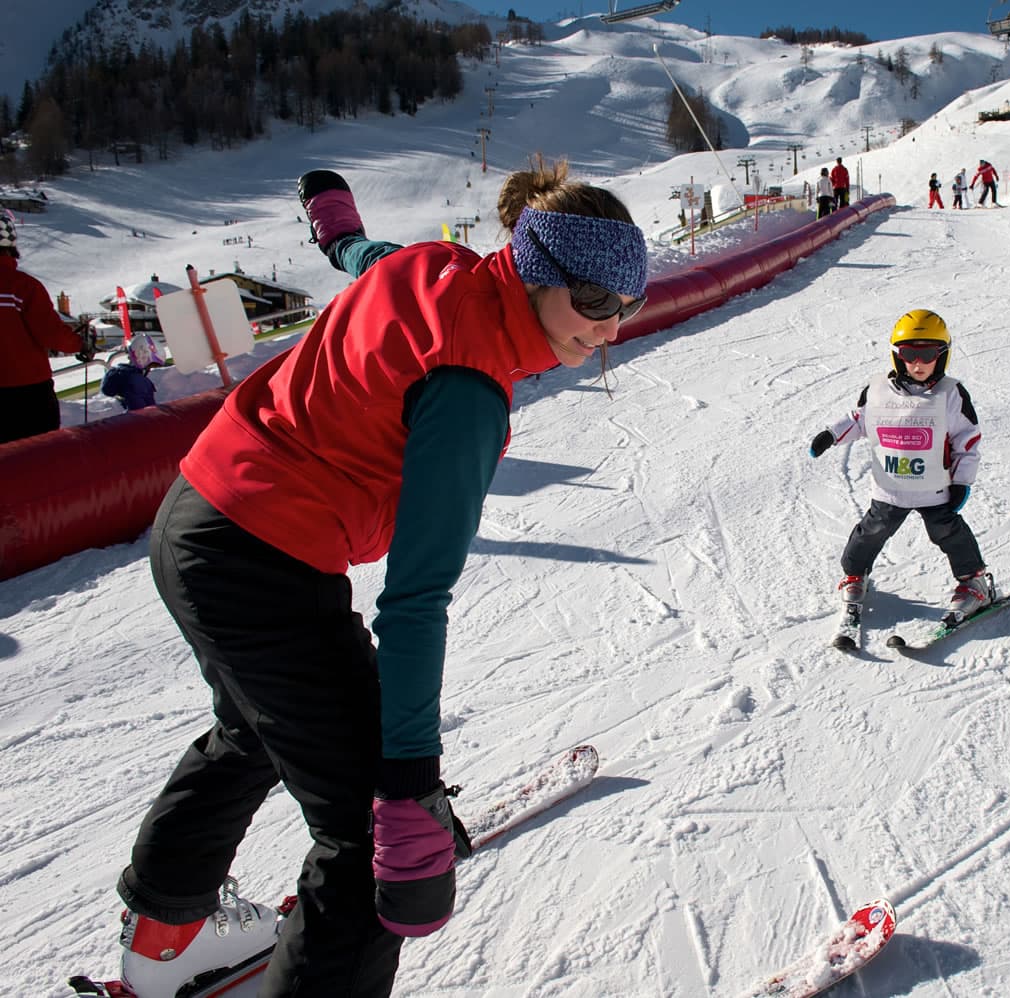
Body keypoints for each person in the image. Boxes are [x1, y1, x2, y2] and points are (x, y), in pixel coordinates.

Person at [109, 157, 648, 997]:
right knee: (367, 844)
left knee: (257, 727)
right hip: (263, 563)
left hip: (197, 520)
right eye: (593, 302)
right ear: (536, 271)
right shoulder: (469, 385)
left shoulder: (436, 267)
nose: (611, 326)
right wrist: (405, 786)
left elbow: (364, 255)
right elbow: (415, 602)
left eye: (629, 304)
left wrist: (335, 223)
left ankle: (164, 937)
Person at [808, 309, 998, 626]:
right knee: (871, 533)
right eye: (910, 354)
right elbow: (859, 420)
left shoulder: (951, 394)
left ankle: (974, 582)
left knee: (947, 533)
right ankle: (855, 576)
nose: (918, 363)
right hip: (891, 486)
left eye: (927, 354)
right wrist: (831, 435)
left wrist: (962, 482)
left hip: (935, 488)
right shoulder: (879, 390)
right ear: (898, 355)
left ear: (943, 355)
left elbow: (967, 440)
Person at [0, 214, 92, 443]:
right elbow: (51, 333)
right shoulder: (21, 287)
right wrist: (80, 344)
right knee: (38, 459)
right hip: (27, 394)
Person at [100, 332, 164, 412]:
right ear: (143, 359)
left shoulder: (123, 376)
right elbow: (142, 413)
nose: (151, 370)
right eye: (151, 366)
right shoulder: (137, 382)